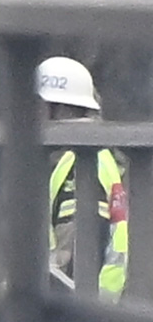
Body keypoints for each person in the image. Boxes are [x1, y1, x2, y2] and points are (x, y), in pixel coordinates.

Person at [39, 56, 129, 298]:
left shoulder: (81, 166)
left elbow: (77, 246)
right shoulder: (94, 157)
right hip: (93, 307)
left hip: (77, 308)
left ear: (57, 110)